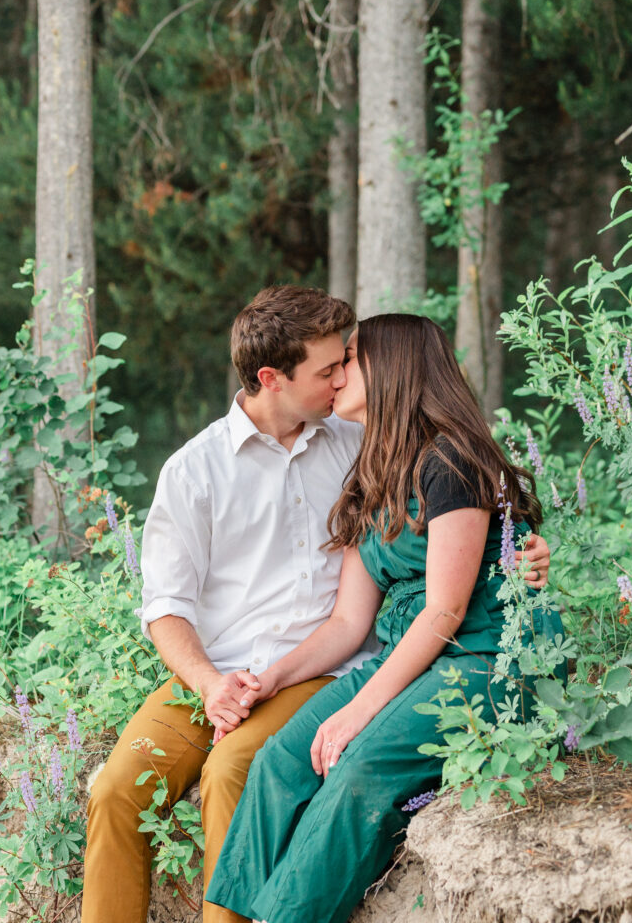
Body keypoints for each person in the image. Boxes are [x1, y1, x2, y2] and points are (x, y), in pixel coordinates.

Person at [81, 291, 550, 923]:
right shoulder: (198, 470)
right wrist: (215, 684)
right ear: (272, 378)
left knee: (234, 772)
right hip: (221, 671)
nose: (339, 379)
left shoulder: (359, 443)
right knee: (116, 791)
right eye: (330, 368)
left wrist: (517, 552)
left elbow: (451, 554)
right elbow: (166, 605)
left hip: (332, 662)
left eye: (347, 363)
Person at [206, 313, 564, 923]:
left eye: (350, 358)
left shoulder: (453, 461)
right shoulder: (373, 471)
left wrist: (355, 712)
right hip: (415, 660)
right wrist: (274, 677)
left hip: (484, 661)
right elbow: (349, 623)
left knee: (358, 770)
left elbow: (446, 611)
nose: (337, 373)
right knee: (277, 760)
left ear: (393, 367)